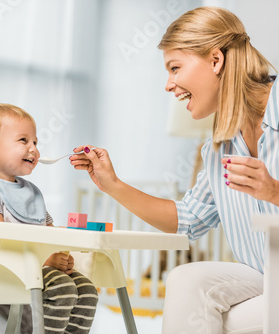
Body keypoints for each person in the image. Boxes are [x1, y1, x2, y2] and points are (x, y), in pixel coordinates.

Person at [70, 6, 277, 334]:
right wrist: (113, 185)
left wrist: (273, 192)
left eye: (175, 68)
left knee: (227, 321)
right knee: (185, 280)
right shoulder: (218, 149)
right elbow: (188, 220)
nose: (169, 85)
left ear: (215, 60)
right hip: (266, 275)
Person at [0, 102, 98, 333]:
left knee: (86, 289)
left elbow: (50, 231)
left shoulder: (31, 192)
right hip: (2, 268)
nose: (34, 148)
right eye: (23, 140)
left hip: (36, 267)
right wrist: (45, 259)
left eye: (35, 141)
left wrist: (61, 252)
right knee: (62, 287)